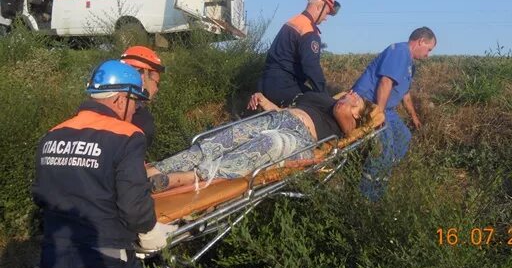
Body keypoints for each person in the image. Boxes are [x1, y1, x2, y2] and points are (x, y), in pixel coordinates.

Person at [32, 60, 176, 268]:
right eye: (135, 103)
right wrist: (148, 232)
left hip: (55, 255)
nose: (135, 110)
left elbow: (40, 195)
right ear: (120, 99)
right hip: (106, 260)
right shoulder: (128, 135)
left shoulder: (52, 135)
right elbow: (133, 206)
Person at [146, 90, 375, 193]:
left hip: (301, 140)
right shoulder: (324, 100)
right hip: (278, 118)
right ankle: (157, 169)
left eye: (354, 102)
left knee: (270, 144)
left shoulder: (347, 123)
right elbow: (289, 110)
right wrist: (267, 102)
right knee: (223, 138)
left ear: (356, 114)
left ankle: (188, 177)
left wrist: (350, 100)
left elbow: (349, 119)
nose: (348, 98)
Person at [352, 27, 437, 201]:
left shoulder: (409, 63)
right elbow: (385, 82)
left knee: (403, 137)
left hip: (387, 110)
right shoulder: (400, 52)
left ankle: (382, 171)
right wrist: (378, 115)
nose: (428, 55)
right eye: (429, 49)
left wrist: (413, 116)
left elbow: (404, 93)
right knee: (385, 148)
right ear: (420, 41)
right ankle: (367, 197)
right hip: (368, 105)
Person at [258, 0, 341, 106]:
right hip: (284, 86)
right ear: (319, 7)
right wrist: (324, 96)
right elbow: (311, 67)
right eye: (326, 13)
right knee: (320, 107)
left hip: (266, 82)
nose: (326, 18)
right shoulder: (308, 30)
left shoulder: (293, 21)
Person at [120, 45, 165, 150]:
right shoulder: (142, 120)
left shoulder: (104, 103)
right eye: (156, 83)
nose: (157, 89)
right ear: (142, 77)